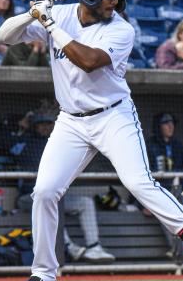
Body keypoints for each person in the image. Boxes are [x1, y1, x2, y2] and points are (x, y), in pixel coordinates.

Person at [0, 0, 183, 281]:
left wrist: (48, 23)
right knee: (45, 191)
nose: (115, 1)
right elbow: (2, 36)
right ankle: (44, 273)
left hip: (113, 116)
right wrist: (32, 12)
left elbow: (88, 61)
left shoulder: (121, 29)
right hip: (71, 121)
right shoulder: (60, 14)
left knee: (138, 183)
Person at [11, 111, 115, 264]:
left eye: (48, 124)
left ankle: (94, 247)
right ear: (35, 126)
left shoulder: (59, 143)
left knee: (85, 202)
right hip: (27, 198)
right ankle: (68, 247)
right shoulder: (25, 143)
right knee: (50, 201)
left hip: (56, 196)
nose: (45, 127)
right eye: (41, 124)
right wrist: (19, 125)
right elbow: (2, 139)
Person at [146, 112, 183, 258]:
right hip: (159, 197)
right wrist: (143, 203)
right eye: (166, 123)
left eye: (172, 123)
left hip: (178, 194)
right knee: (165, 209)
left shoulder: (178, 147)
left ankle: (179, 250)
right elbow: (141, 176)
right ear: (158, 126)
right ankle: (180, 251)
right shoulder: (149, 146)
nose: (170, 126)